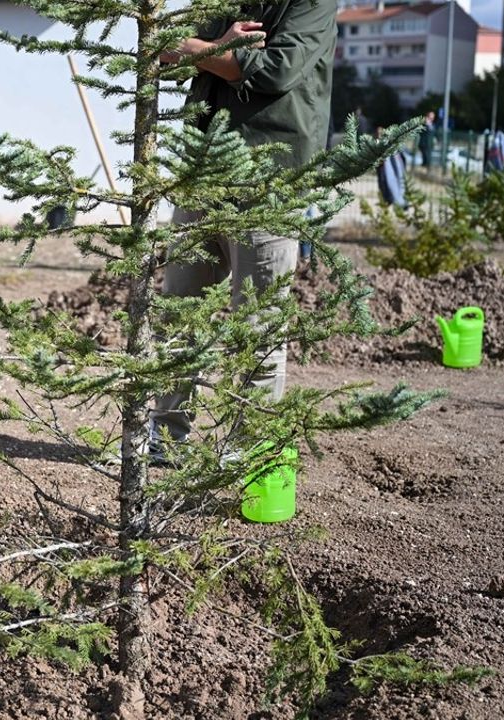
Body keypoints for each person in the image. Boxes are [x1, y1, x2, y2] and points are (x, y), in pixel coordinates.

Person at [152, 0, 336, 461]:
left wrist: (204, 50)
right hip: (203, 169)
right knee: (179, 312)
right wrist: (217, 48)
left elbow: (276, 70)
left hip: (267, 178)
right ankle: (166, 441)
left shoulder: (312, 3)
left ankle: (247, 452)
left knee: (256, 325)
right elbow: (164, 51)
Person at [376, 126, 408, 208]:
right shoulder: (378, 143)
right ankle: (390, 200)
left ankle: (399, 201)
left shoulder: (397, 147)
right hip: (385, 169)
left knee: (398, 180)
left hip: (394, 165)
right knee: (387, 184)